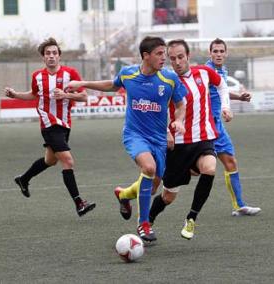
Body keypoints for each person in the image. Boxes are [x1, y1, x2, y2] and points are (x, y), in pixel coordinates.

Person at [67, 36, 187, 243]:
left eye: (164, 54)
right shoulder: (128, 74)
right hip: (134, 135)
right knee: (148, 169)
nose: (164, 58)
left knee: (154, 185)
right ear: (145, 56)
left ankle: (123, 195)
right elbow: (111, 85)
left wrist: (179, 122)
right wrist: (83, 83)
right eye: (159, 54)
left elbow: (181, 105)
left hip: (159, 139)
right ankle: (144, 223)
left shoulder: (169, 79)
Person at [148, 39, 232, 240]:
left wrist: (225, 107)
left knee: (210, 168)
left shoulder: (204, 72)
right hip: (177, 145)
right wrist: (166, 131)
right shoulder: (165, 81)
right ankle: (148, 220)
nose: (177, 62)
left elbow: (222, 86)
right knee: (168, 196)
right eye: (172, 58)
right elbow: (156, 111)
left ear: (188, 56)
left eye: (180, 57)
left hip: (204, 138)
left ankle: (191, 218)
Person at [4, 37, 96, 217]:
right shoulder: (37, 76)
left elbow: (84, 96)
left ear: (59, 56)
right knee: (67, 161)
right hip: (48, 123)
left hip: (64, 124)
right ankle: (79, 203)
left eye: (54, 53)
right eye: (48, 53)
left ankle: (23, 179)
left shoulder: (70, 73)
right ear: (43, 57)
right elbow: (32, 95)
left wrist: (65, 95)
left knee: (50, 160)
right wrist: (15, 94)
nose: (51, 56)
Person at [205, 38, 261, 216]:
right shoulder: (206, 72)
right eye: (216, 51)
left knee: (231, 162)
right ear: (210, 53)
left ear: (226, 53)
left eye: (222, 51)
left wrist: (239, 97)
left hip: (217, 125)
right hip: (205, 126)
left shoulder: (222, 70)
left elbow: (221, 91)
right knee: (192, 171)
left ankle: (239, 205)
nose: (219, 54)